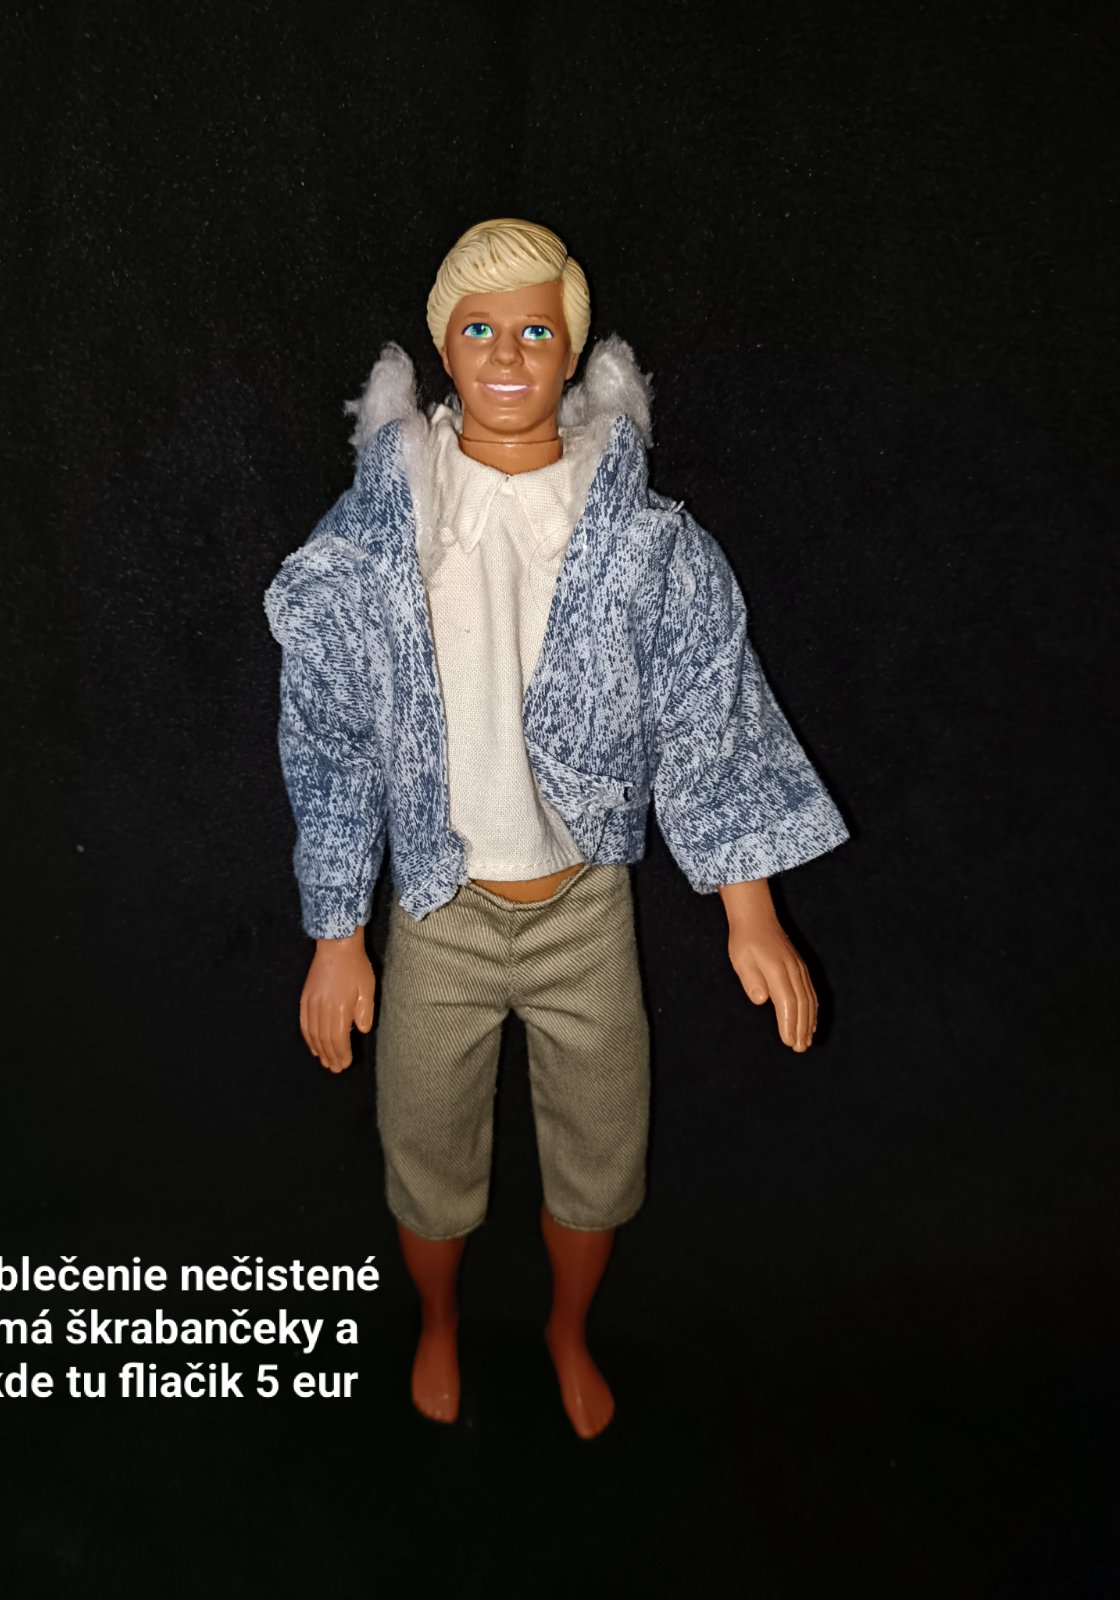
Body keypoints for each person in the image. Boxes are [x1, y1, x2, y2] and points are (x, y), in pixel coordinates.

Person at [264, 218, 848, 1437]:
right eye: (479, 328)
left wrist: (749, 907)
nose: (507, 354)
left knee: (601, 1149)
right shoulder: (380, 535)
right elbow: (330, 733)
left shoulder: (636, 535)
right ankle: (436, 1319)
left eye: (536, 330)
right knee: (425, 1152)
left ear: (573, 349)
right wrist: (336, 930)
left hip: (584, 905)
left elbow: (705, 704)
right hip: (440, 903)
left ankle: (568, 1328)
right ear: (443, 347)